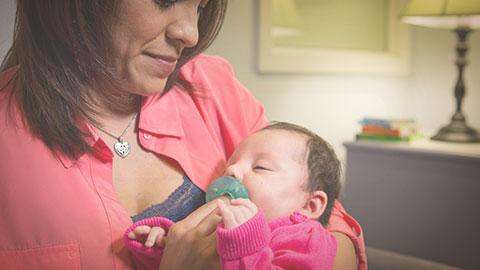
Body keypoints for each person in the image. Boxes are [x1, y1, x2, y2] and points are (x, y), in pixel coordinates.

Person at [0, 0, 365, 269]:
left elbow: (326, 218)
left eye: (201, 5)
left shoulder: (212, 85)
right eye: (165, 1)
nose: (190, 34)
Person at [125, 122, 342, 270]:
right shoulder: (220, 224)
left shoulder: (307, 238)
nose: (232, 171)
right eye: (231, 163)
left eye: (260, 167)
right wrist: (162, 245)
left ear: (310, 205)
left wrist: (245, 244)